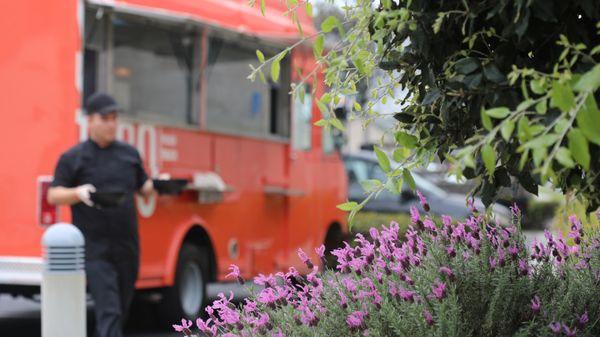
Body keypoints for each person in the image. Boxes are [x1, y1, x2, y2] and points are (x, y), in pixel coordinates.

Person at [47, 92, 154, 337]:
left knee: (122, 309)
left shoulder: (129, 154)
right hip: (94, 248)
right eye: (105, 118)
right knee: (110, 310)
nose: (111, 124)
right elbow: (54, 195)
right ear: (90, 120)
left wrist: (154, 185)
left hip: (127, 245)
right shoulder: (73, 157)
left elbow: (144, 186)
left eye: (114, 118)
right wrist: (78, 192)